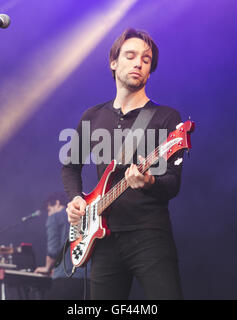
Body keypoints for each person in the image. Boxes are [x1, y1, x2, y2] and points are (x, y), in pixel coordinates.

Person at [62, 28, 185, 300]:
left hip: (150, 235)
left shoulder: (166, 117)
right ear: (114, 62)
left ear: (150, 69)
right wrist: (76, 200)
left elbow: (173, 183)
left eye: (146, 58)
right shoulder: (92, 116)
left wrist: (149, 181)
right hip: (102, 239)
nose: (138, 62)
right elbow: (70, 167)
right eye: (130, 55)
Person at [34, 192, 89, 299]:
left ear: (57, 203)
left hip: (66, 277)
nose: (49, 214)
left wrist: (47, 268)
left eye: (49, 210)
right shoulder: (82, 215)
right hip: (88, 278)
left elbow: (53, 250)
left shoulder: (54, 218)